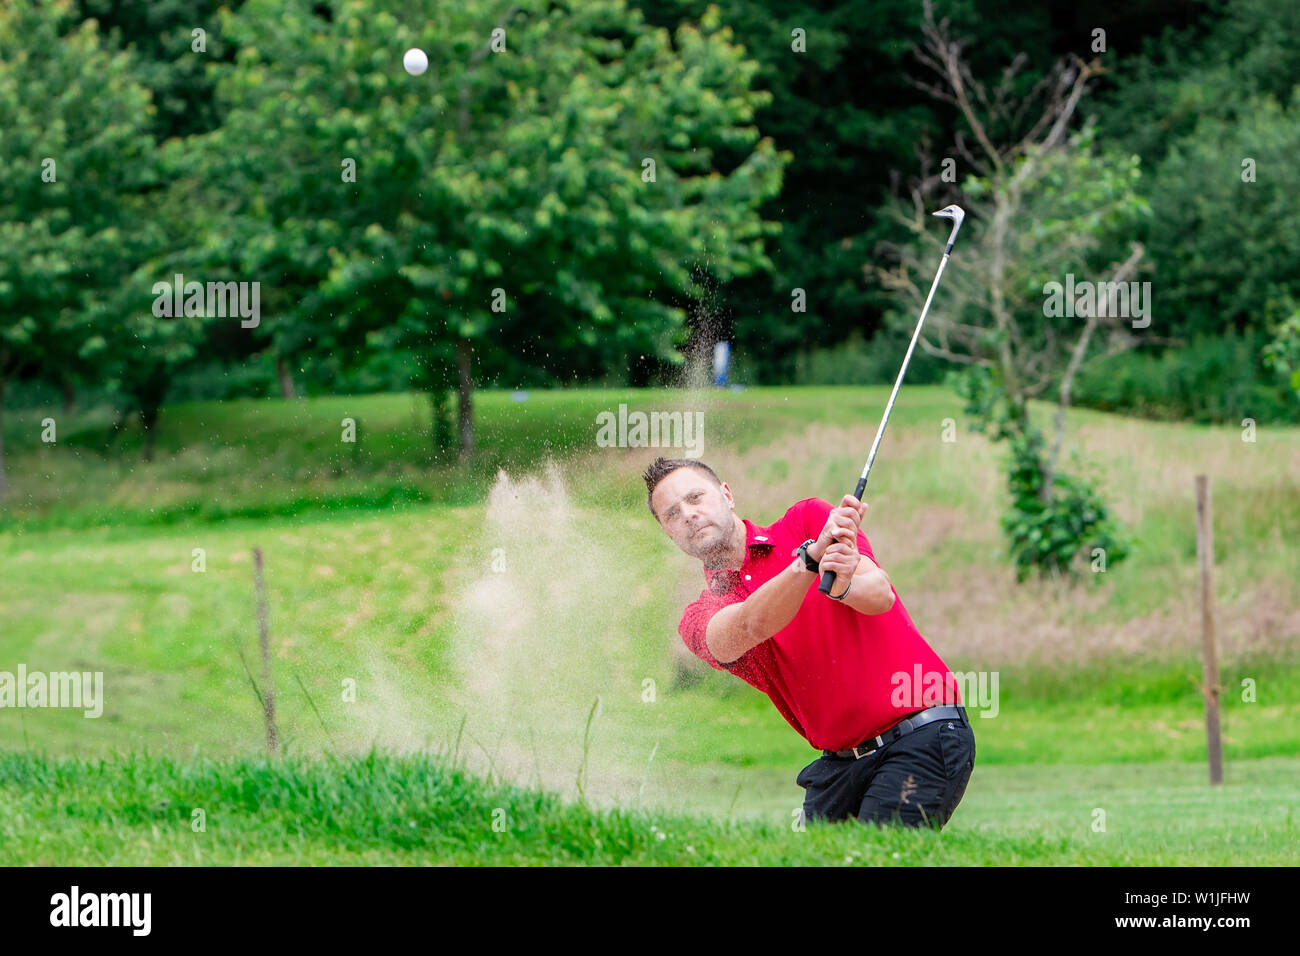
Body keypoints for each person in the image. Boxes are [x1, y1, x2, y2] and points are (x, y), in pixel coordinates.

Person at [644, 455, 975, 829]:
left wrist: (843, 585)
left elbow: (880, 594)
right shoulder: (700, 615)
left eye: (695, 497)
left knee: (877, 855)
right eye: (671, 514)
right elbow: (750, 625)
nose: (688, 514)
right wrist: (810, 560)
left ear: (727, 495)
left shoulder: (806, 519)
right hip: (839, 765)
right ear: (668, 533)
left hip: (921, 733)